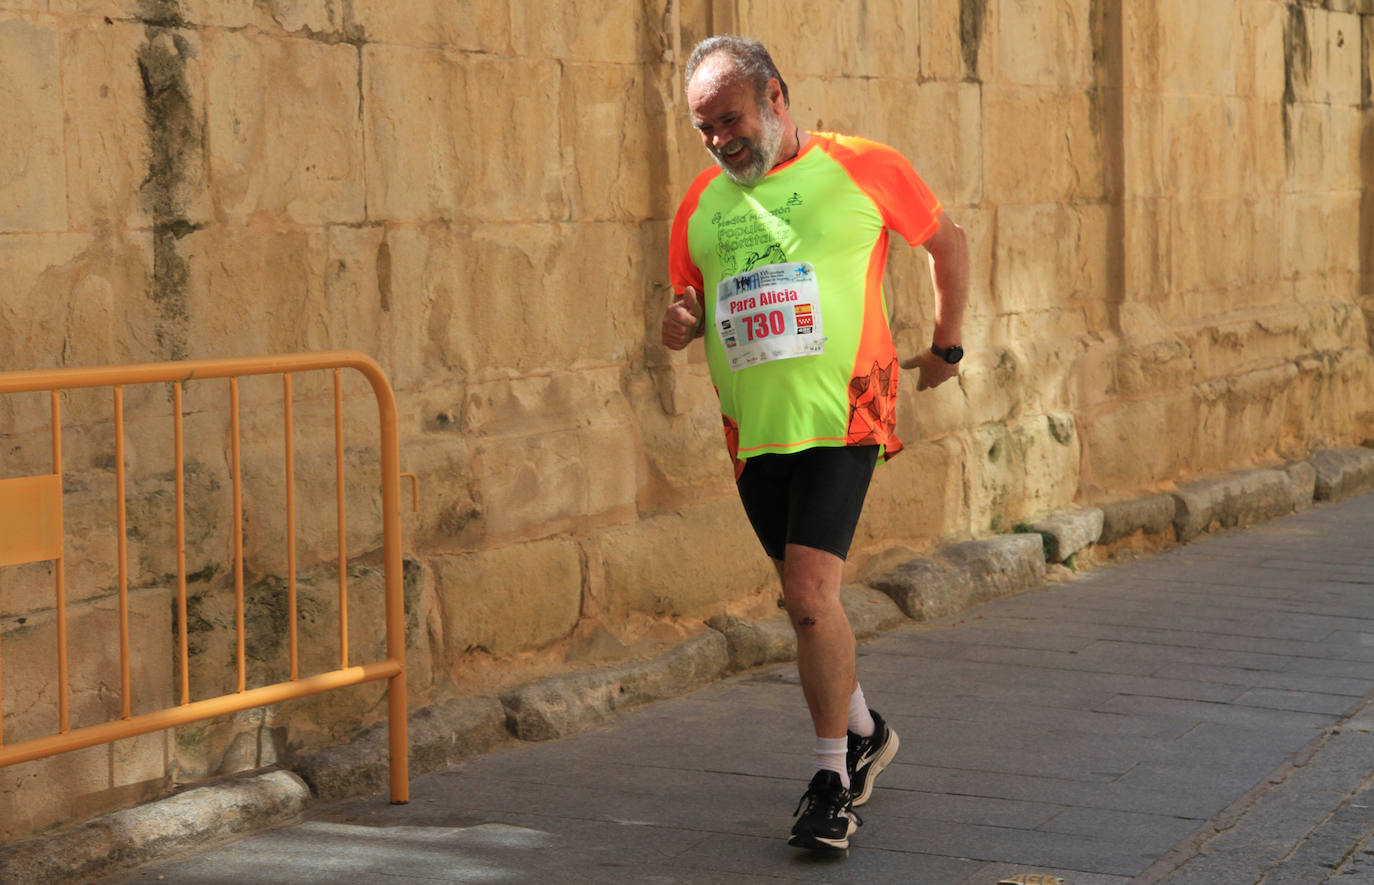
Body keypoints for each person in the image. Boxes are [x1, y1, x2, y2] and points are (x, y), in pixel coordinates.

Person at [661, 36, 970, 852]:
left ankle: (832, 781)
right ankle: (865, 728)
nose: (719, 140)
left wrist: (947, 349)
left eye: (729, 119)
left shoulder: (863, 165)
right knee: (808, 607)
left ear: (775, 99)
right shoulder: (699, 204)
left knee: (807, 592)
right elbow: (686, 304)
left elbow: (948, 243)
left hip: (848, 413)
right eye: (703, 129)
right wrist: (677, 322)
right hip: (754, 431)